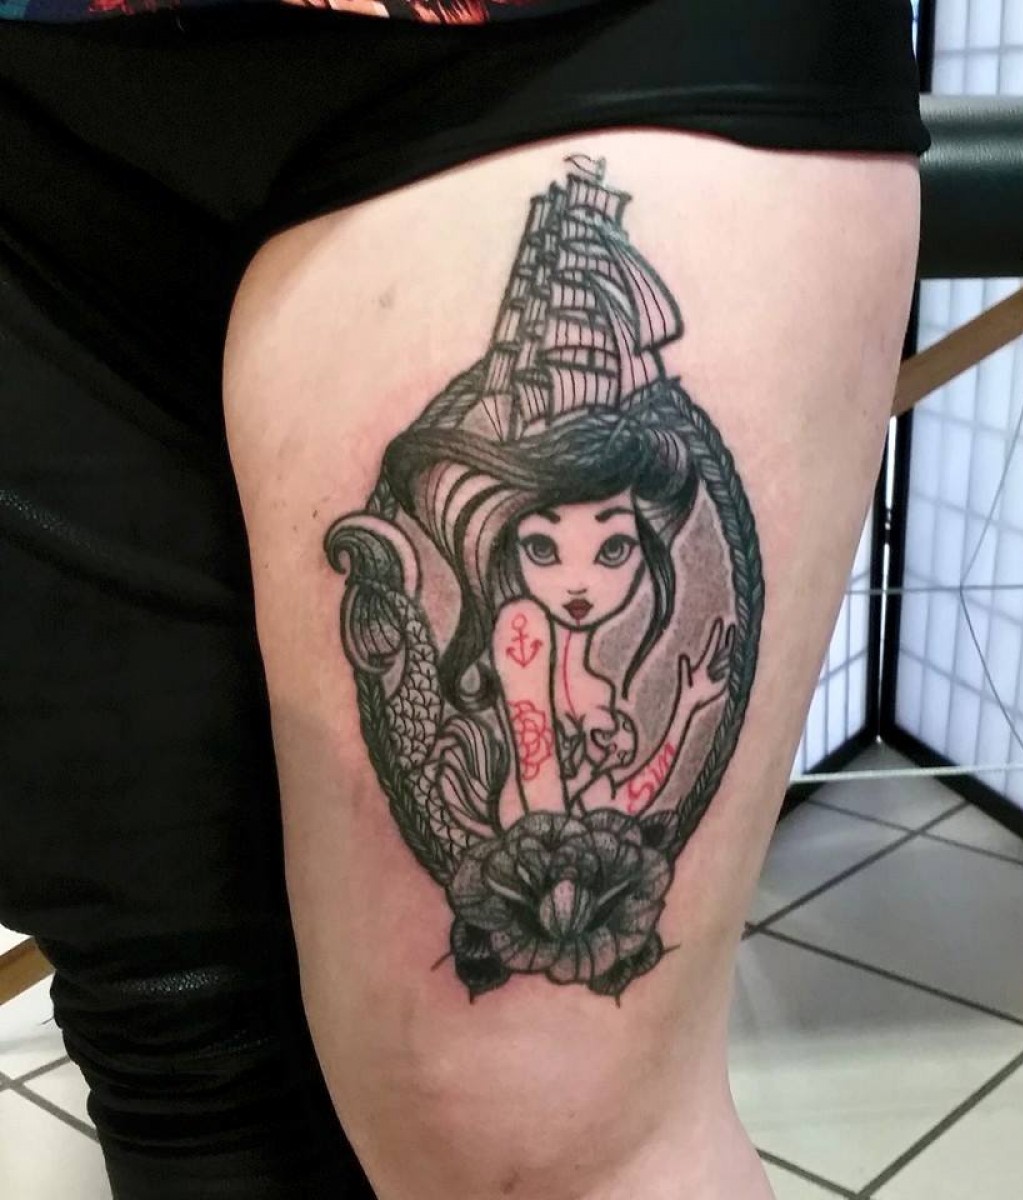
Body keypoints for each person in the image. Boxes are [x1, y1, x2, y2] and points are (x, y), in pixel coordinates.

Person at [0, 2, 927, 1196]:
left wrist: (675, 711)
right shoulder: (523, 644)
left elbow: (557, 777)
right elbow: (538, 758)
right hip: (38, 106)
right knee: (177, 1021)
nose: (582, 582)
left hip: (581, 37)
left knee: (536, 1138)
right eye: (545, 546)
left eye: (613, 548)